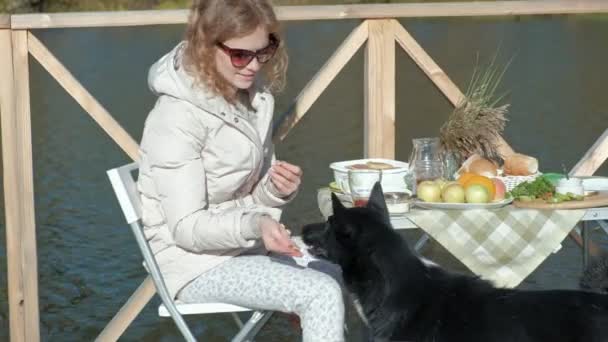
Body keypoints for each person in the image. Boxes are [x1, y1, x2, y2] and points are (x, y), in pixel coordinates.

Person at [136, 0, 345, 341]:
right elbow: (187, 228)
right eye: (240, 55)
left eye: (265, 51)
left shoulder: (252, 97)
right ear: (207, 47)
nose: (253, 65)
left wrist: (274, 190)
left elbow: (247, 198)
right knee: (319, 292)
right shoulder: (175, 117)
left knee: (341, 265)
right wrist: (256, 224)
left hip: (239, 249)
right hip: (192, 264)